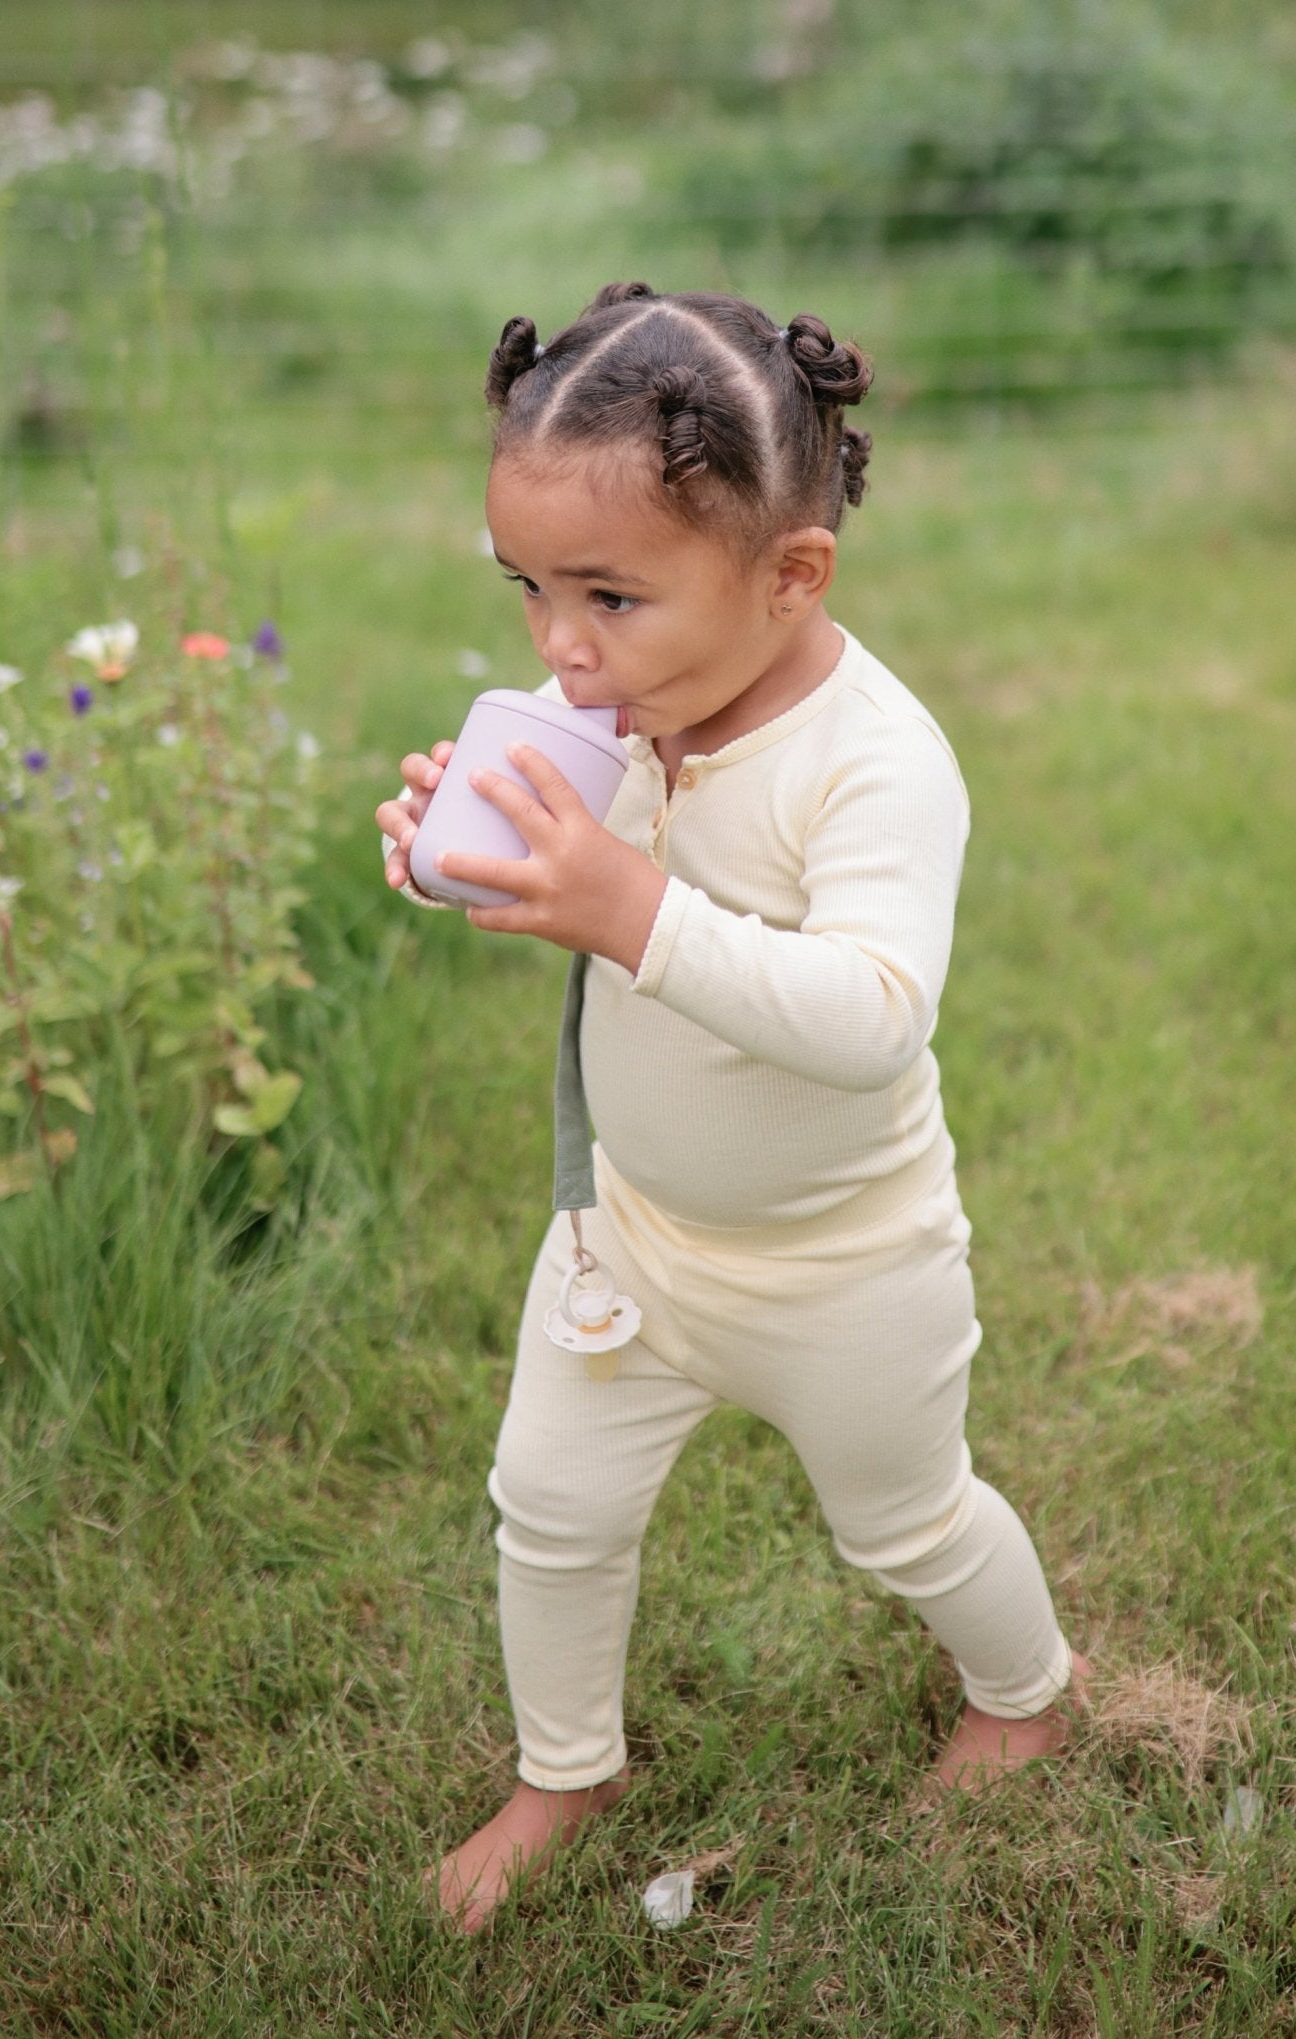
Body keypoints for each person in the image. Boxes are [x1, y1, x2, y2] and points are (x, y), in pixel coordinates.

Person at [375, 282, 1085, 1935]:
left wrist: (631, 908)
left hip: (846, 1262)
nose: (559, 645)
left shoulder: (874, 763)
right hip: (632, 1241)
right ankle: (567, 1771)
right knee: (548, 1509)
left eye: (609, 595)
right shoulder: (620, 708)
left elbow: (872, 1017)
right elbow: (563, 861)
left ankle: (1024, 1693)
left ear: (791, 575)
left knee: (907, 1520)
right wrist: (459, 854)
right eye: (530, 590)